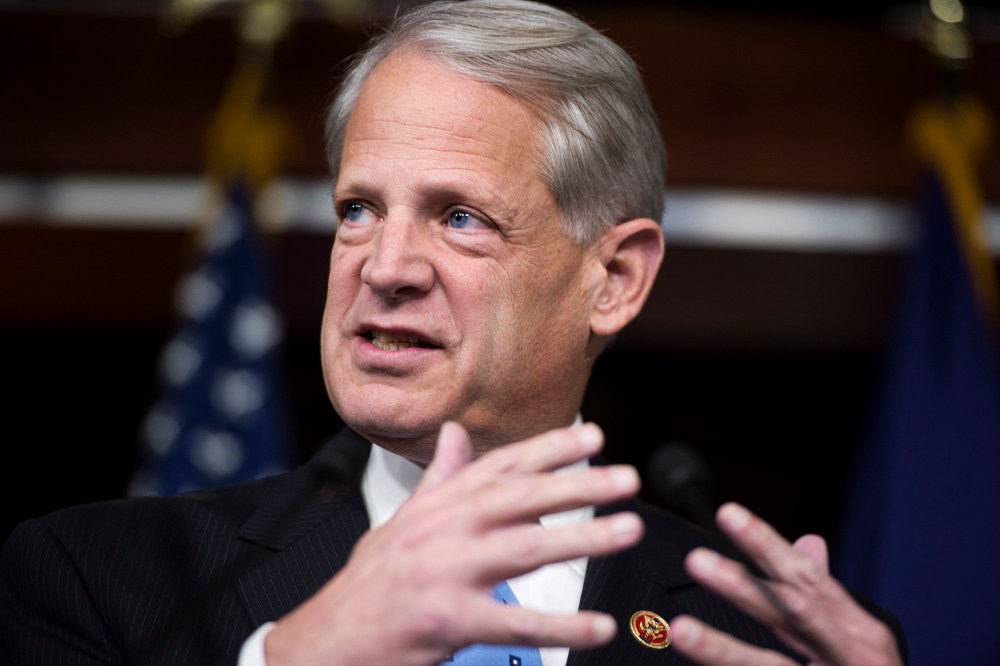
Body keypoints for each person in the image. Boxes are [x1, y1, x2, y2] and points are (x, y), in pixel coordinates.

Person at [0, 1, 907, 665]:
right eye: (359, 209)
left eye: (461, 218)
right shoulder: (96, 580)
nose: (384, 266)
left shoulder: (767, 635)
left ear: (615, 278)